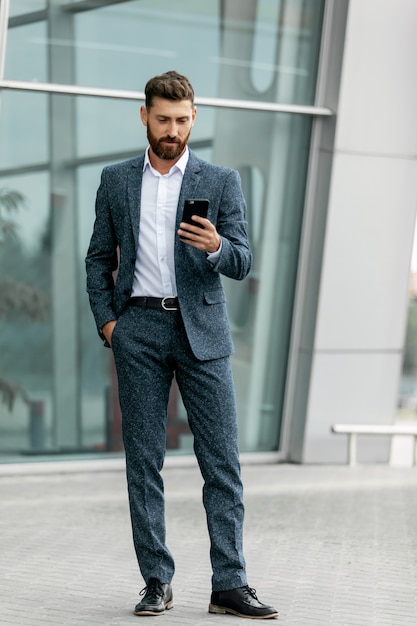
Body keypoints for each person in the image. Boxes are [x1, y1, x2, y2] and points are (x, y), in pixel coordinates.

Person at [85, 70, 278, 620]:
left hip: (204, 332)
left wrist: (218, 246)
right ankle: (156, 580)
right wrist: (108, 324)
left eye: (183, 120)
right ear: (144, 116)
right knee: (143, 462)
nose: (173, 130)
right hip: (138, 331)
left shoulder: (221, 181)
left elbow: (243, 260)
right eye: (163, 119)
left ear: (195, 118)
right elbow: (98, 257)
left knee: (222, 464)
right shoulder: (116, 179)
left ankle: (230, 585)